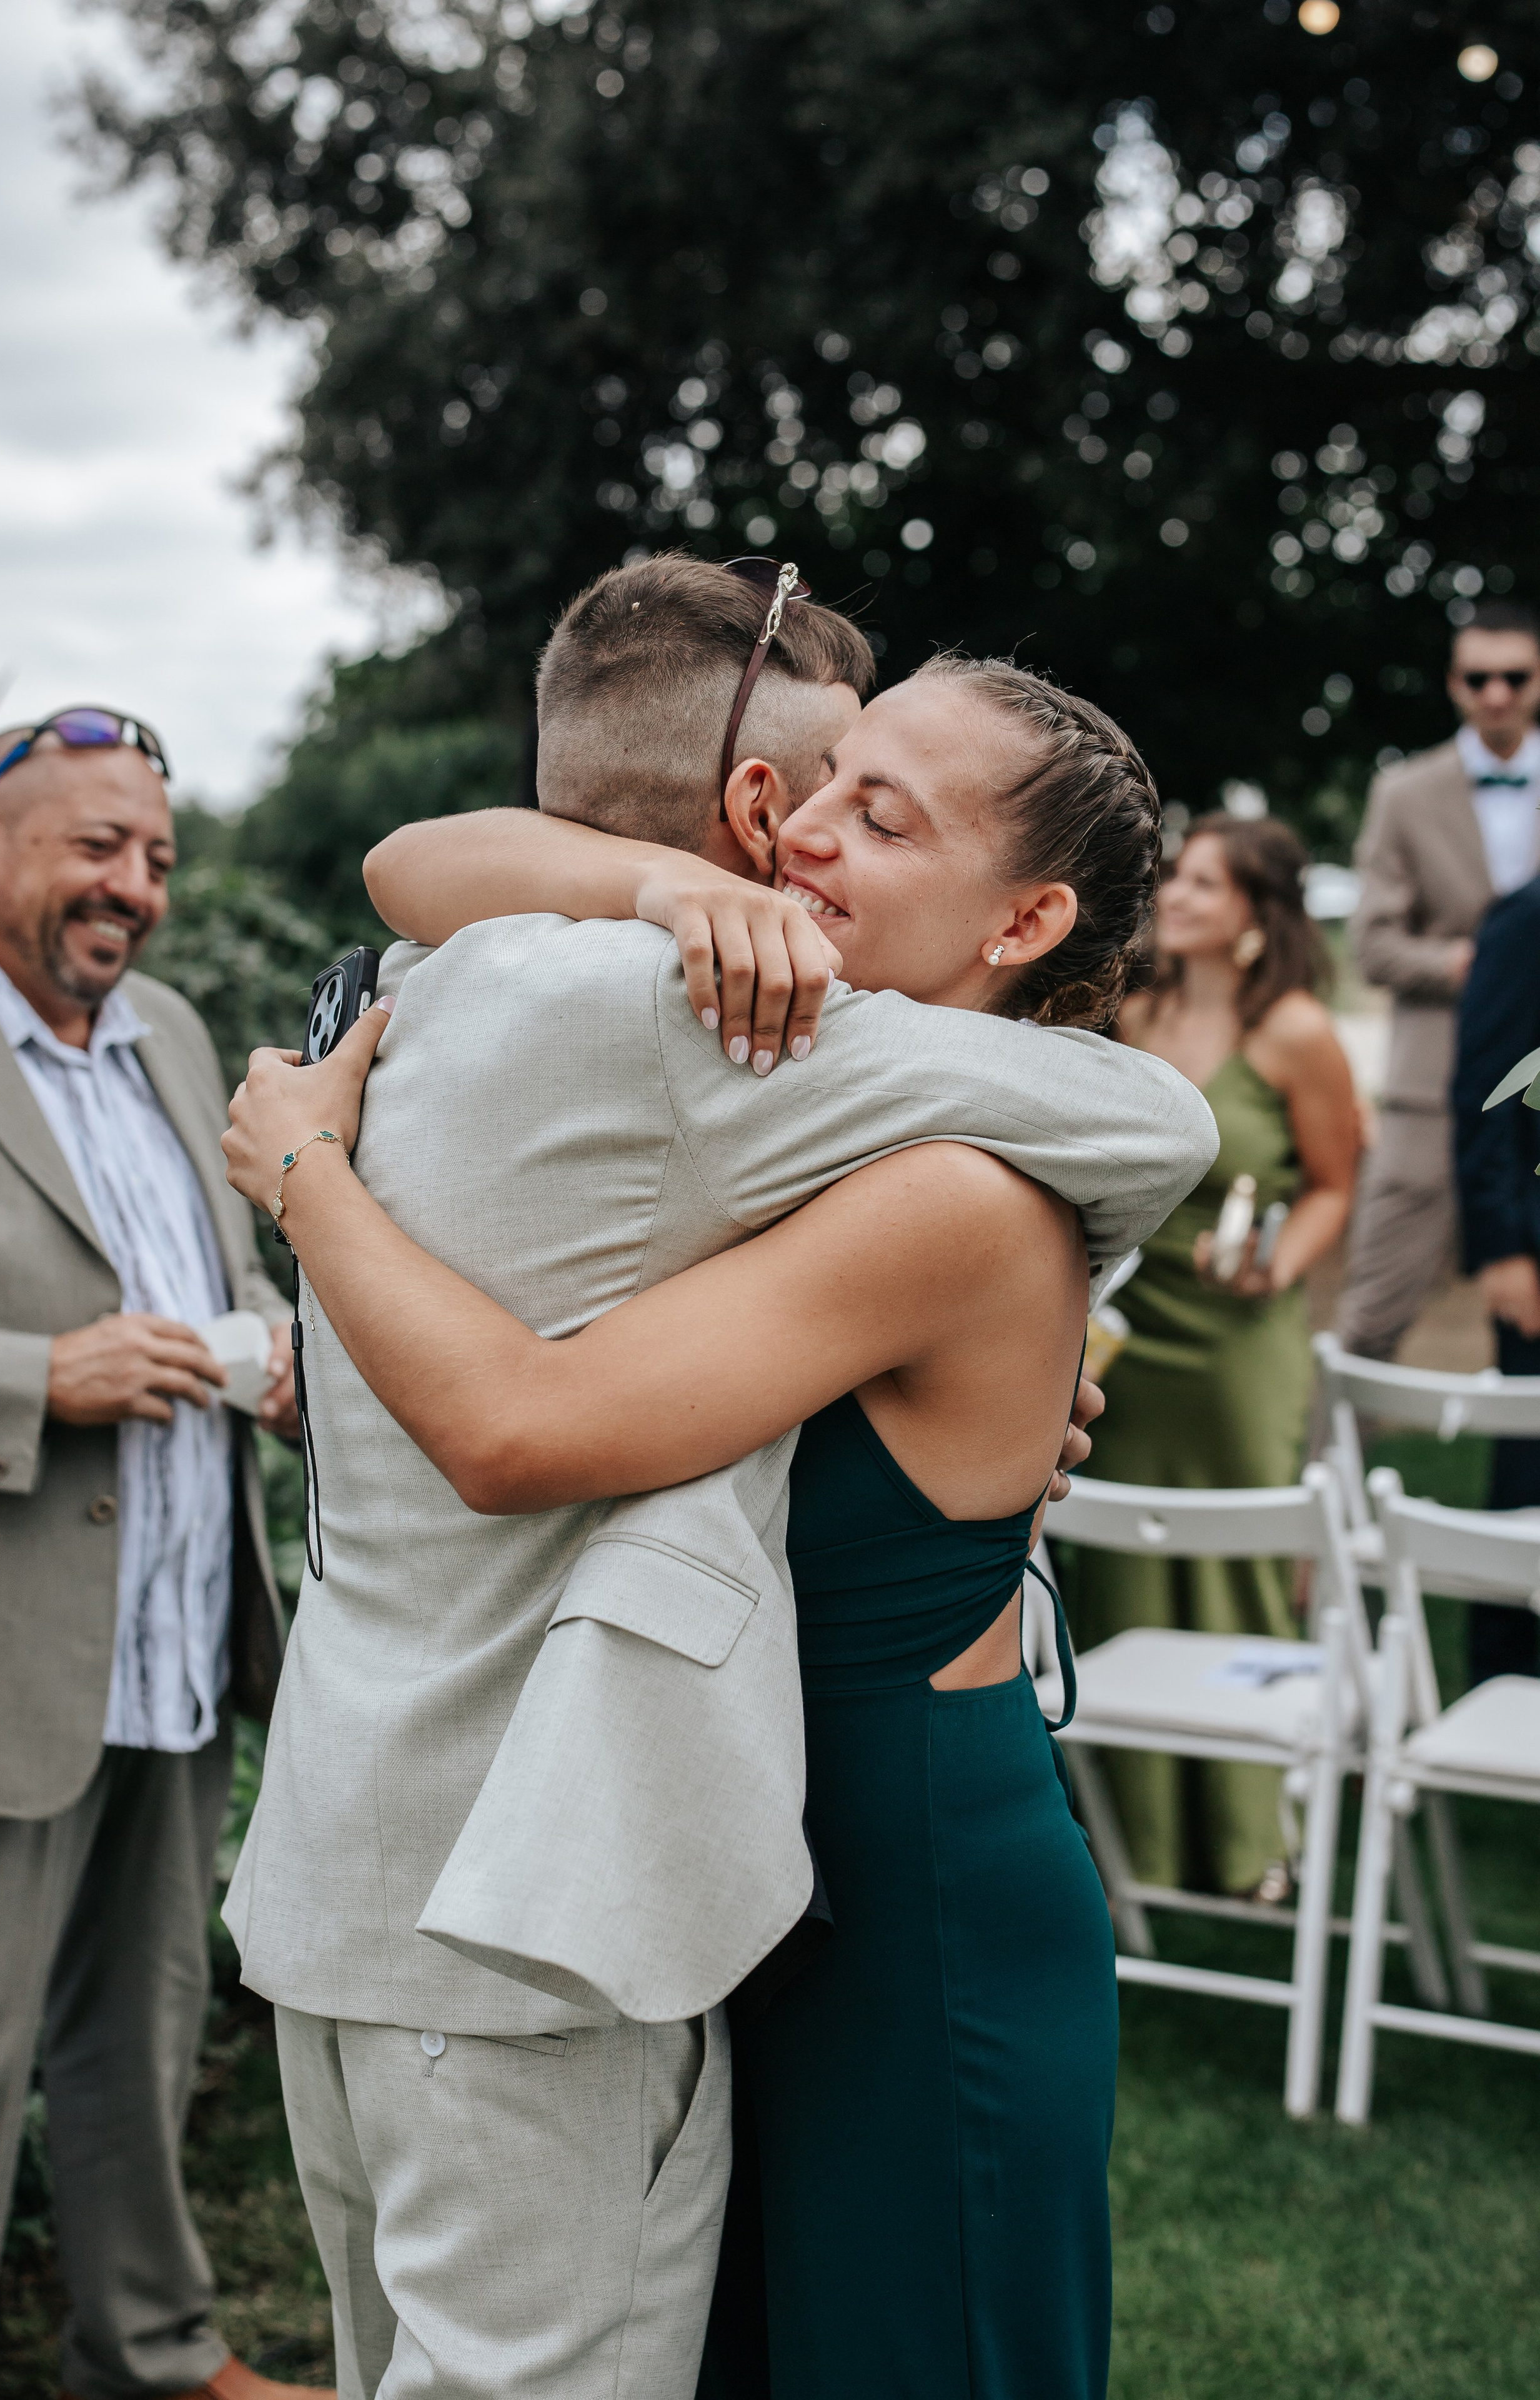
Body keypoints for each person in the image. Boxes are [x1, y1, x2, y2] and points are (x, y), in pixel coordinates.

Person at [221, 557, 1216, 2400]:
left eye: (878, 812)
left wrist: (307, 1173)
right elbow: (421, 862)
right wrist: (653, 881)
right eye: (818, 787)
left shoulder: (930, 1163)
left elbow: (523, 1418)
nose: (799, 833)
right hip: (732, 1862)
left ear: (1026, 919)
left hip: (902, 1876)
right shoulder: (773, 1090)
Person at [0, 713, 313, 2400]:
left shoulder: (165, 1028)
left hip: (171, 1633)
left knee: (139, 2037)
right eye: (97, 845)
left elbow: (210, 1272)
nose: (136, 887)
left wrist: (273, 1346)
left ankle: (151, 2354)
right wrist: (33, 1375)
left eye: (156, 856)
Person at [1058, 815, 1358, 1901]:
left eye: (1204, 883)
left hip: (1237, 1342)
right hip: (1127, 1329)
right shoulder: (1128, 1011)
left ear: (1255, 915)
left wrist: (1279, 1270)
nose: (1175, 895)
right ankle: (1136, 1844)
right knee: (1124, 1569)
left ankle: (1246, 1844)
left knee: (1240, 1572)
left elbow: (1334, 1183)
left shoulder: (1297, 1033)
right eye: (1174, 877)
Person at [1338, 599, 1540, 1359]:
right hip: (1431, 1090)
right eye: (1478, 678)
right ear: (1455, 684)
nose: (1497, 694)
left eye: (1514, 676)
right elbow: (1371, 945)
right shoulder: (1405, 792)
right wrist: (1472, 967)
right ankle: (1338, 1442)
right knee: (1371, 1318)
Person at [1452, 875, 1540, 1683]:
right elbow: (1486, 1085)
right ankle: (1504, 1674)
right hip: (1533, 1251)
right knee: (1529, 1478)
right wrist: (1502, 1246)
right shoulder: (1527, 917)